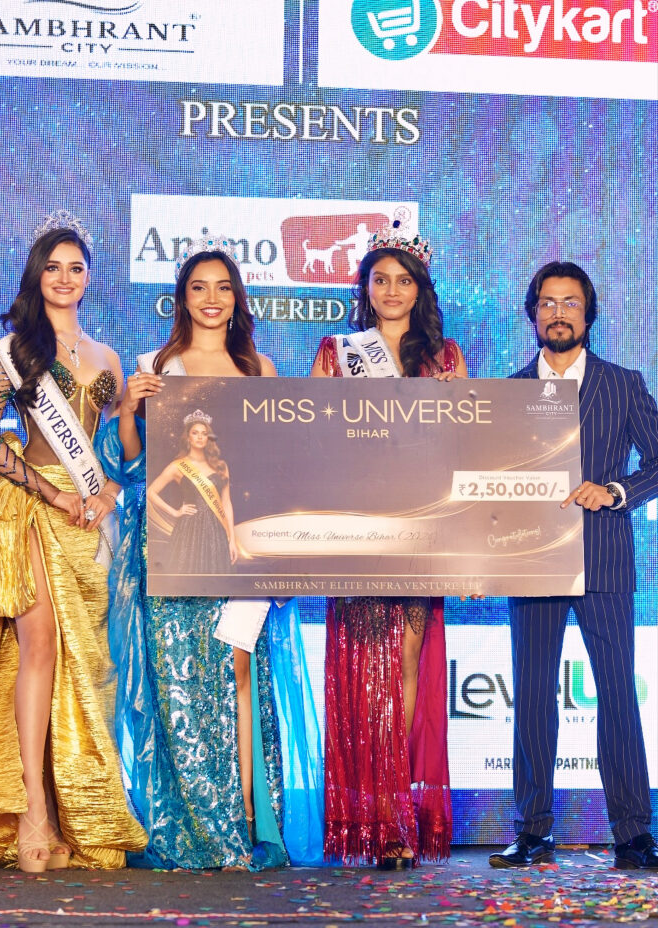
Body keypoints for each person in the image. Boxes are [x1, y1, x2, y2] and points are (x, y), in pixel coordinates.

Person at [97, 236, 323, 870]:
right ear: (183, 297)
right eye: (199, 287)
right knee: (178, 682)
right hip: (171, 552)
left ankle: (246, 821)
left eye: (224, 287)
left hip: (239, 548)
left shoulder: (259, 371)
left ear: (237, 298)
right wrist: (128, 410)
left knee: (237, 671)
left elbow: (277, 466)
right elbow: (135, 466)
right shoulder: (155, 365)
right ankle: (194, 821)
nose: (212, 298)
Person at [0, 211, 147, 871]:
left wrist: (110, 482)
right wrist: (52, 493)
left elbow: (118, 451)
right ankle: (32, 812)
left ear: (89, 277)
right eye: (53, 267)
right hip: (35, 506)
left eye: (76, 268)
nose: (65, 278)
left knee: (82, 665)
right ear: (36, 275)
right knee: (38, 645)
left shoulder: (108, 357)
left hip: (90, 517)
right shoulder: (17, 349)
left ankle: (72, 809)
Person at [489, 260, 658, 871]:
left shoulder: (623, 384)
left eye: (570, 303)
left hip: (604, 558)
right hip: (531, 559)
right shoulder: (507, 393)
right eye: (547, 302)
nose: (558, 313)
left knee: (617, 694)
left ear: (588, 314)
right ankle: (532, 831)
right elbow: (486, 482)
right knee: (532, 695)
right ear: (532, 313)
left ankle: (633, 834)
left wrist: (615, 491)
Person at [310, 221, 466, 869]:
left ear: (420, 289)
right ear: (365, 288)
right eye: (381, 280)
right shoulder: (336, 353)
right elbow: (311, 439)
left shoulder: (446, 358)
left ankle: (396, 814)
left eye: (404, 280)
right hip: (358, 525)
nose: (392, 290)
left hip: (421, 528)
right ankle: (370, 813)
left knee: (403, 667)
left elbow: (463, 448)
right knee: (359, 671)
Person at [147, 411, 237, 575]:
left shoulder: (221, 466)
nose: (200, 437)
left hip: (217, 530)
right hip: (190, 530)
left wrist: (232, 539)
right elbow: (151, 492)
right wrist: (175, 512)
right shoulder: (177, 466)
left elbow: (226, 503)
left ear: (209, 438)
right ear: (188, 437)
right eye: (195, 433)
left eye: (204, 433)